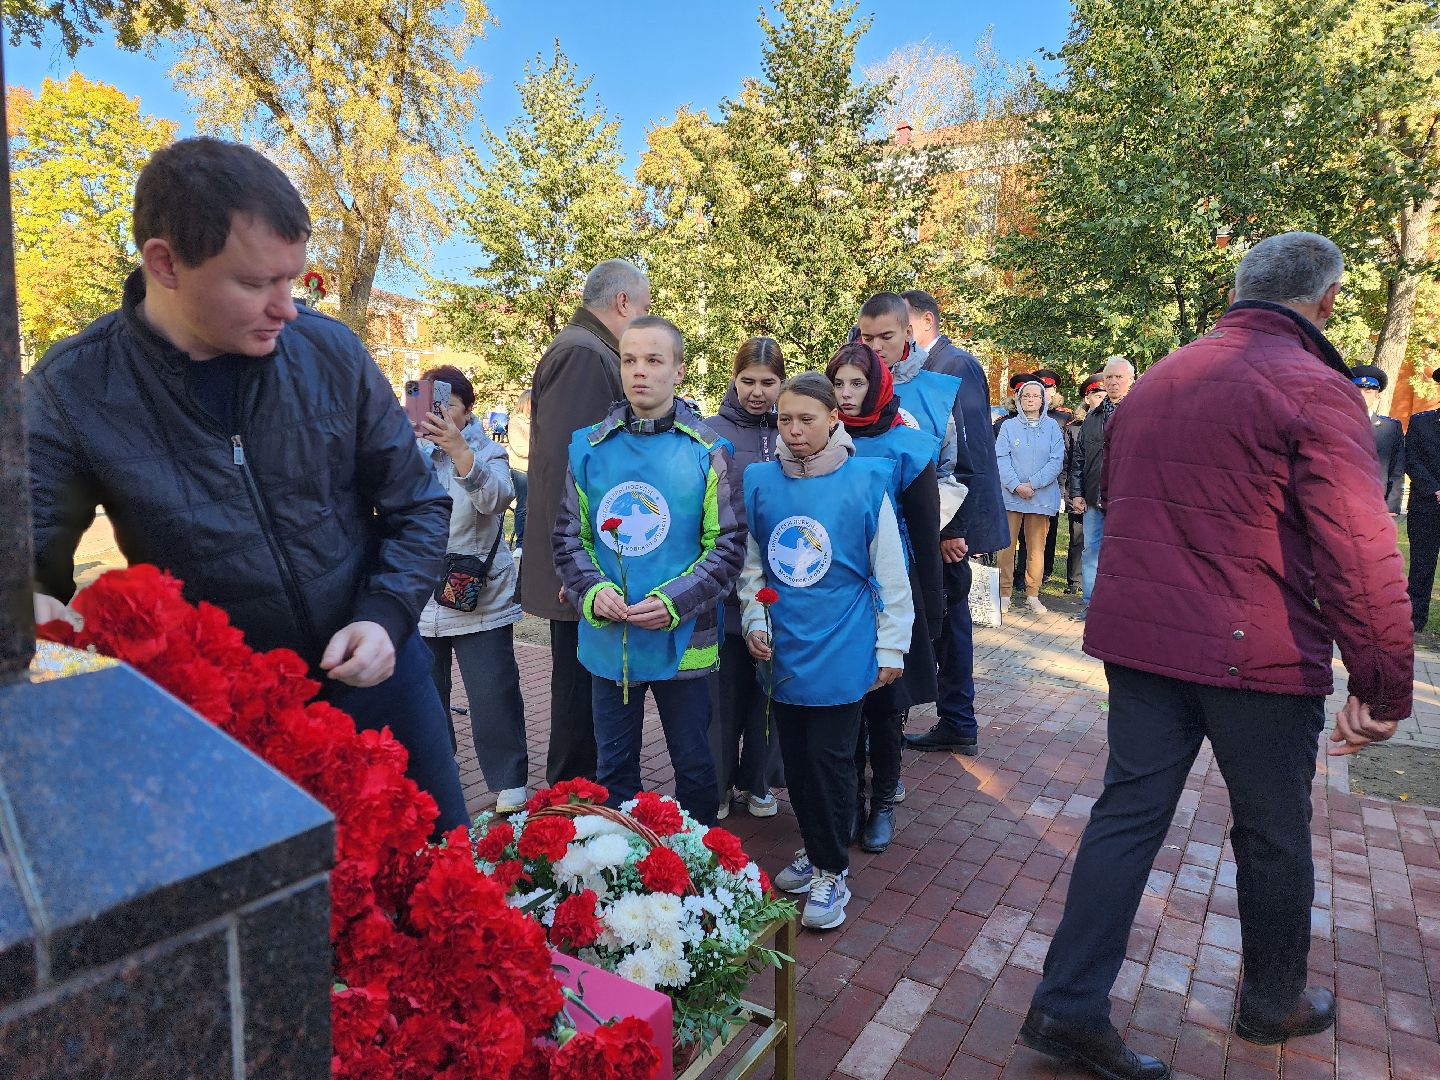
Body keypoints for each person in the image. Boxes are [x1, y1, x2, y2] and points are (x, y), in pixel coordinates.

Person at [1022, 232, 1414, 1080]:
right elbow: (1358, 544)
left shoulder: (1162, 377)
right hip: (1256, 653)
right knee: (1272, 833)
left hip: (1146, 641)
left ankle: (1067, 1004)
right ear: (1328, 300)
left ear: (1243, 289)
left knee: (1124, 819)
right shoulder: (1313, 386)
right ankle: (1273, 1000)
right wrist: (1383, 682)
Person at [24, 137, 469, 832]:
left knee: (442, 888)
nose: (286, 307)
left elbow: (419, 505)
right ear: (165, 264)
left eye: (292, 280)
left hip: (386, 684)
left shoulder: (331, 353)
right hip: (228, 719)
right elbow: (26, 571)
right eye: (257, 283)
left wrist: (386, 616)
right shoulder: (72, 391)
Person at [553, 315, 743, 825]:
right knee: (613, 770)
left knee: (695, 767)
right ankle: (628, 874)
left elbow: (726, 548)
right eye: (629, 359)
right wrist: (593, 591)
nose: (639, 372)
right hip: (610, 640)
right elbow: (570, 536)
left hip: (686, 640)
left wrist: (672, 602)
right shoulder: (588, 448)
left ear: (678, 371)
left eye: (654, 360)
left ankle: (701, 875)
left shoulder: (709, 451)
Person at [741, 373, 913, 930]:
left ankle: (832, 868)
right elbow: (752, 566)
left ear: (833, 418)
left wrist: (893, 644)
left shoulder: (866, 480)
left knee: (832, 760)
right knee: (794, 758)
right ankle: (817, 847)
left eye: (806, 419)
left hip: (842, 641)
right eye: (784, 420)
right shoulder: (761, 481)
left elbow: (889, 569)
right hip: (785, 645)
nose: (793, 430)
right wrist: (752, 618)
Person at [524, 258, 650, 786]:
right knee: (578, 698)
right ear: (622, 303)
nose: (645, 320)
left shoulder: (586, 348)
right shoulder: (583, 353)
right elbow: (568, 468)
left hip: (581, 567)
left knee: (586, 691)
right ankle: (572, 808)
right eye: (644, 310)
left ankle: (584, 798)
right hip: (577, 574)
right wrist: (569, 570)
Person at [827, 342, 943, 853]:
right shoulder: (823, 440)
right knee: (849, 694)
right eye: (840, 383)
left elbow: (925, 533)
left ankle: (884, 799)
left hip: (894, 588)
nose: (848, 395)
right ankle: (849, 795)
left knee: (886, 699)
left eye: (858, 383)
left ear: (877, 385)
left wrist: (931, 611)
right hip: (838, 590)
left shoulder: (908, 446)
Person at [900, 289, 1010, 757]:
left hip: (948, 523)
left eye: (902, 324)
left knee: (949, 622)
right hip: (935, 519)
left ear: (927, 320)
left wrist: (952, 529)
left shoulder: (954, 365)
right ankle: (955, 719)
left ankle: (958, 720)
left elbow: (966, 454)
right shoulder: (929, 365)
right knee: (942, 621)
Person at [415, 365, 529, 814]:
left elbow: (496, 499)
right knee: (425, 695)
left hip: (478, 594)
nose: (438, 416)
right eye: (430, 406)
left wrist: (460, 451)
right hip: (421, 595)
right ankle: (435, 774)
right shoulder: (407, 450)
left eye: (449, 407)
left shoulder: (486, 450)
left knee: (492, 691)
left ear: (467, 411)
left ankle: (508, 781)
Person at [706, 337, 787, 821]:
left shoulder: (790, 428)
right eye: (748, 381)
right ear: (734, 379)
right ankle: (716, 784)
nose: (758, 392)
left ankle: (757, 780)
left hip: (773, 585)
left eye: (768, 382)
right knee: (721, 693)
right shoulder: (709, 431)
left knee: (766, 689)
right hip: (720, 585)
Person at [1067, 355, 1135, 619]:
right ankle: (1091, 604)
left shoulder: (1138, 413)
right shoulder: (1093, 417)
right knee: (1092, 550)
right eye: (1110, 377)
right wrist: (1077, 492)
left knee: (1123, 553)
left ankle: (1120, 607)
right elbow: (1079, 458)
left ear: (1131, 380)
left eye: (1119, 377)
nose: (1114, 382)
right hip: (1094, 495)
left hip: (1125, 498)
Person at [995, 378, 1065, 616]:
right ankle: (1004, 593)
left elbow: (1057, 460)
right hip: (1011, 496)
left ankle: (1032, 594)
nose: (1031, 399)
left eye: (1036, 396)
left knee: (1037, 549)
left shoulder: (1053, 427)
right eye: (1026, 396)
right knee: (1006, 546)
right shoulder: (1008, 426)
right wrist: (1016, 485)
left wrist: (1033, 484)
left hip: (1041, 497)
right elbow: (1001, 458)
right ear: (1019, 399)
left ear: (1044, 400)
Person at [1406, 369, 1440, 632]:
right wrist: (1434, 489)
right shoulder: (1421, 421)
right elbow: (1411, 460)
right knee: (1421, 565)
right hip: (1426, 506)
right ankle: (1415, 620)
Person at [1349, 364, 1405, 515]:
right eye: (1357, 390)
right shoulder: (1334, 422)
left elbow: (1397, 469)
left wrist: (1392, 506)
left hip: (1375, 504)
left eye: (1368, 391)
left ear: (1377, 395)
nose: (1362, 395)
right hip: (1340, 501)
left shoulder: (1390, 427)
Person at [508, 390, 531, 556]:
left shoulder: (537, 421)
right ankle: (521, 544)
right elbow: (519, 447)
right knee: (522, 506)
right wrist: (541, 450)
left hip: (536, 470)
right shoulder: (516, 422)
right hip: (521, 469)